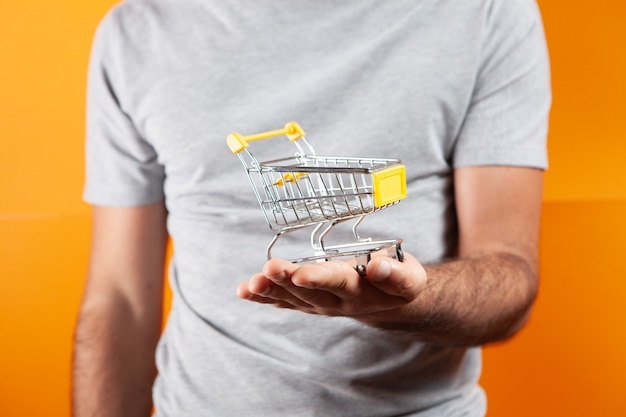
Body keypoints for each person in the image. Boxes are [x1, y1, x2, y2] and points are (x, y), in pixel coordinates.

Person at [72, 0, 551, 416]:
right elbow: (119, 298)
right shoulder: (137, 32)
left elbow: (508, 274)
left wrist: (409, 299)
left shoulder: (485, 11)